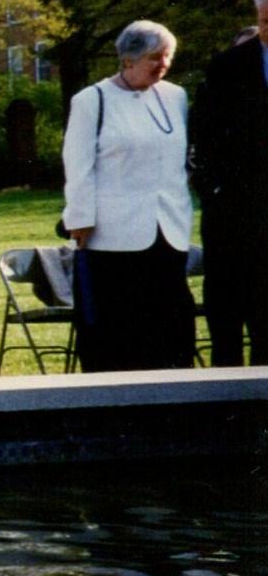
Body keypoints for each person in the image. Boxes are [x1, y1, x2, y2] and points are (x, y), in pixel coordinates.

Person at [61, 20, 196, 372]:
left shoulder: (176, 97)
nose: (163, 65)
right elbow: (78, 165)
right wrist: (80, 218)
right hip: (112, 234)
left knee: (172, 326)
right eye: (155, 57)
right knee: (118, 330)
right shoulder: (93, 100)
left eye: (168, 57)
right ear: (127, 61)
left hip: (168, 227)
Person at [190, 0, 268, 367]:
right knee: (227, 326)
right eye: (266, 22)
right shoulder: (226, 68)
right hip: (231, 220)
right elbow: (201, 141)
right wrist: (215, 192)